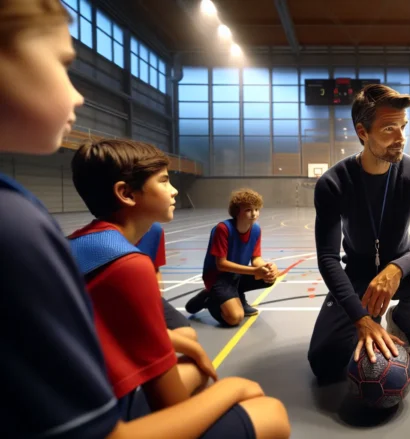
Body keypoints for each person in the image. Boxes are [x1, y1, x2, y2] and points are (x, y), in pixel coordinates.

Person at [1, 2, 289, 438]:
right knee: (267, 409)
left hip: (84, 385)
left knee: (189, 352)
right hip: (94, 419)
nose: (78, 94)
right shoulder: (19, 224)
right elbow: (160, 406)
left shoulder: (73, 234)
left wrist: (153, 342)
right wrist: (232, 387)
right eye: (62, 65)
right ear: (126, 194)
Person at [307, 84, 410, 382]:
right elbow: (328, 258)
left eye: (403, 127)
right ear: (362, 132)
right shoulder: (334, 183)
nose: (401, 138)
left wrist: (396, 269)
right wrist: (361, 319)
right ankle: (370, 319)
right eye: (388, 129)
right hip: (357, 272)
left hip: (401, 269)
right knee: (324, 364)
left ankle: (397, 320)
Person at [184, 189, 279, 327]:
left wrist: (266, 267)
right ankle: (210, 299)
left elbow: (256, 258)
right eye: (248, 210)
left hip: (237, 275)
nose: (254, 214)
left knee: (268, 278)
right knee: (235, 318)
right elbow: (221, 264)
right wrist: (254, 271)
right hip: (218, 277)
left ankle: (238, 295)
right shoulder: (223, 229)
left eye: (256, 209)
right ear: (236, 211)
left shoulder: (256, 229)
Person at [137, 222, 198, 340]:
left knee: (188, 336)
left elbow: (155, 269)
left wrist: (156, 300)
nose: (173, 201)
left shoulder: (155, 230)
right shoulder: (100, 238)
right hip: (120, 304)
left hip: (148, 298)